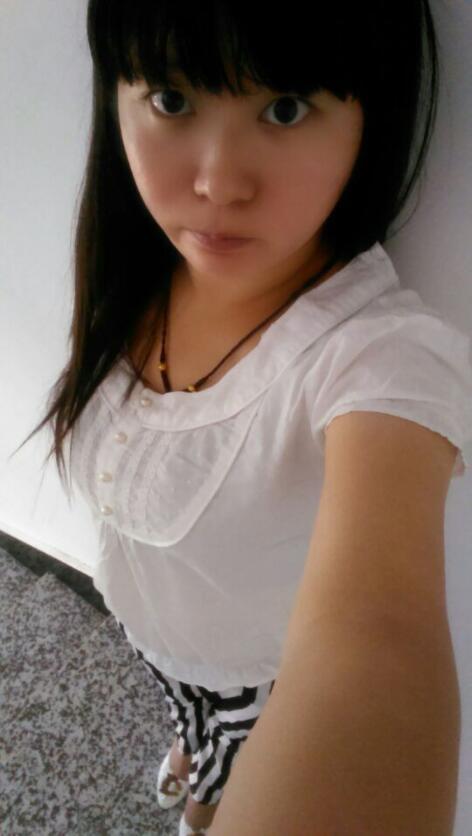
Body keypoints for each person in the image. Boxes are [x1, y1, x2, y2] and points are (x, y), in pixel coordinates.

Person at [11, 2, 472, 834]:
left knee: (223, 776)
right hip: (162, 652)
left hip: (256, 688)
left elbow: (378, 644)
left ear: (372, 114)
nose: (219, 184)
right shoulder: (136, 271)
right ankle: (194, 749)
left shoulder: (379, 356)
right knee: (193, 725)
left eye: (285, 108)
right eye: (173, 100)